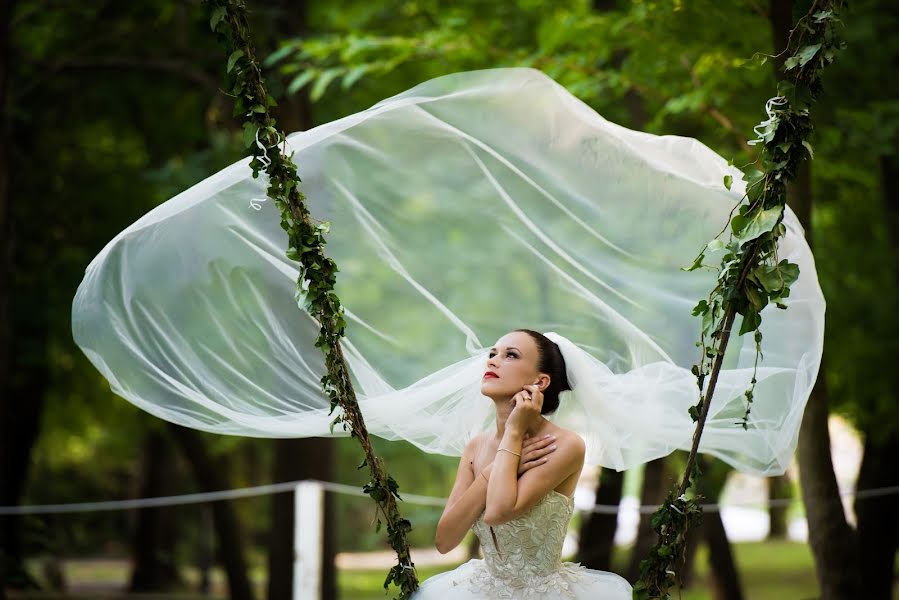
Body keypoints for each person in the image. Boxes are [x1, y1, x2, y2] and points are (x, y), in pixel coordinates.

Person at [415, 329, 632, 598]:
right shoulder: (475, 447)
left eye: (511, 355)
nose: (492, 361)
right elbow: (445, 541)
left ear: (540, 382)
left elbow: (498, 511)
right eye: (493, 354)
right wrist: (494, 469)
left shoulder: (564, 445)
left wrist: (515, 432)